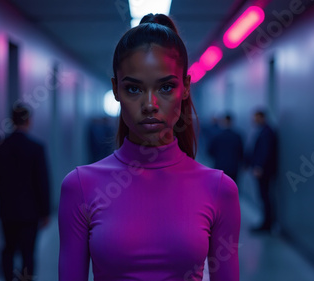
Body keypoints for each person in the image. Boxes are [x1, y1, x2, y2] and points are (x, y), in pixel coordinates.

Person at [58, 14, 240, 281]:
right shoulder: (80, 187)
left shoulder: (219, 189)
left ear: (185, 87)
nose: (150, 104)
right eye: (134, 89)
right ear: (116, 90)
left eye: (166, 87)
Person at [0, 104, 51, 281]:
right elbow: (42, 181)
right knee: (28, 251)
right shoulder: (36, 148)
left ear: (11, 121)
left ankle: (8, 279)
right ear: (29, 121)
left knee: (8, 248)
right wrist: (45, 211)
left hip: (7, 209)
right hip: (30, 212)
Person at [247, 110, 277, 233]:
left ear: (262, 117)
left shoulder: (266, 132)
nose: (253, 120)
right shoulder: (264, 131)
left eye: (255, 118)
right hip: (264, 170)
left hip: (264, 171)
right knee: (264, 196)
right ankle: (266, 222)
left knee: (264, 196)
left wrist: (259, 166)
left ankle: (267, 224)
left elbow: (265, 151)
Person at [208, 114, 244, 183]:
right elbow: (241, 153)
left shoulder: (216, 136)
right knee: (233, 188)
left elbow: (210, 151)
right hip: (234, 167)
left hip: (220, 167)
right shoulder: (237, 136)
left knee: (221, 188)